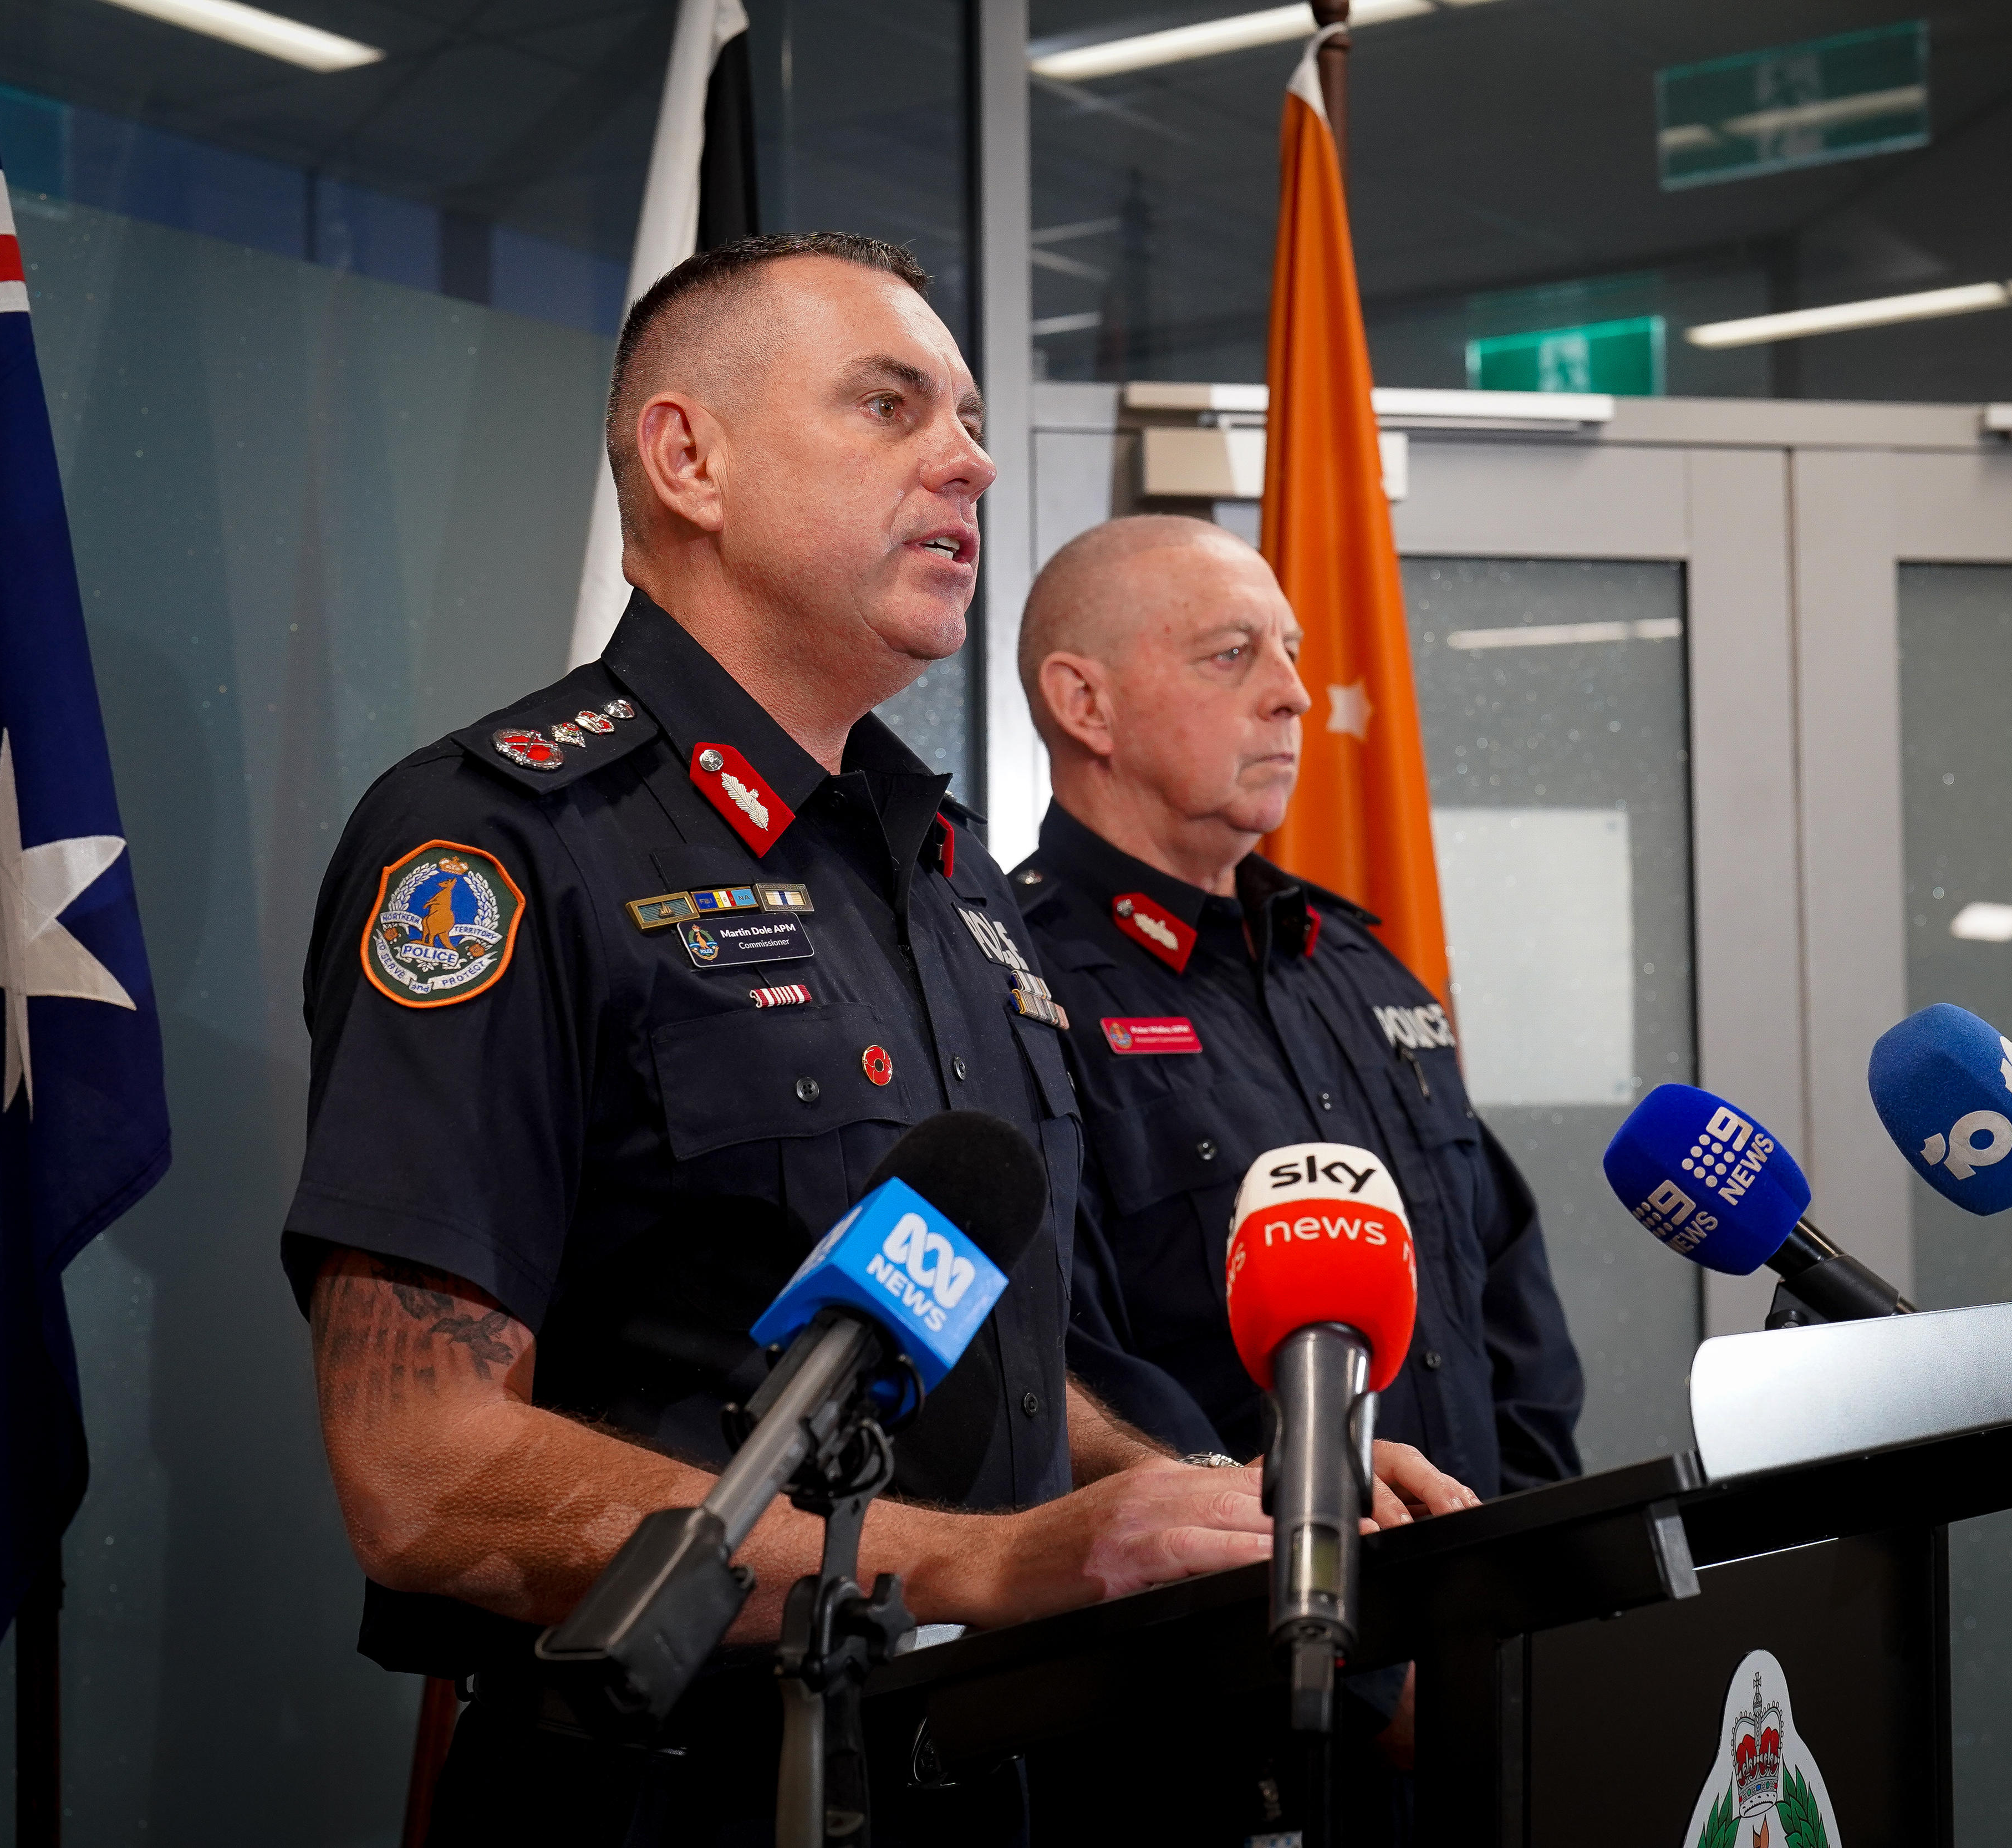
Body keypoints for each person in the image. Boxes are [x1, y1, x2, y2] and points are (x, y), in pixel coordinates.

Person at [284, 239, 1455, 1847]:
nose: (968, 458)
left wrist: (1213, 1485)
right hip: (666, 1791)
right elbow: (418, 1471)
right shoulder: (505, 841)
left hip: (978, 1776)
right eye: (892, 404)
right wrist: (989, 1560)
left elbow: (968, 1337)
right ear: (689, 456)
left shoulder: (945, 876)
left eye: (968, 418)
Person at [1008, 515, 1588, 1818]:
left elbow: (1507, 1315)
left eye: (1292, 650)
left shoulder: (1358, 966)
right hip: (1205, 1740)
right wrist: (1375, 1686)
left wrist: (1538, 1600)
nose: (1293, 693)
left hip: (1474, 1696)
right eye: (1231, 654)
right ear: (1081, 699)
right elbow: (1062, 1380)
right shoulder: (1015, 988)